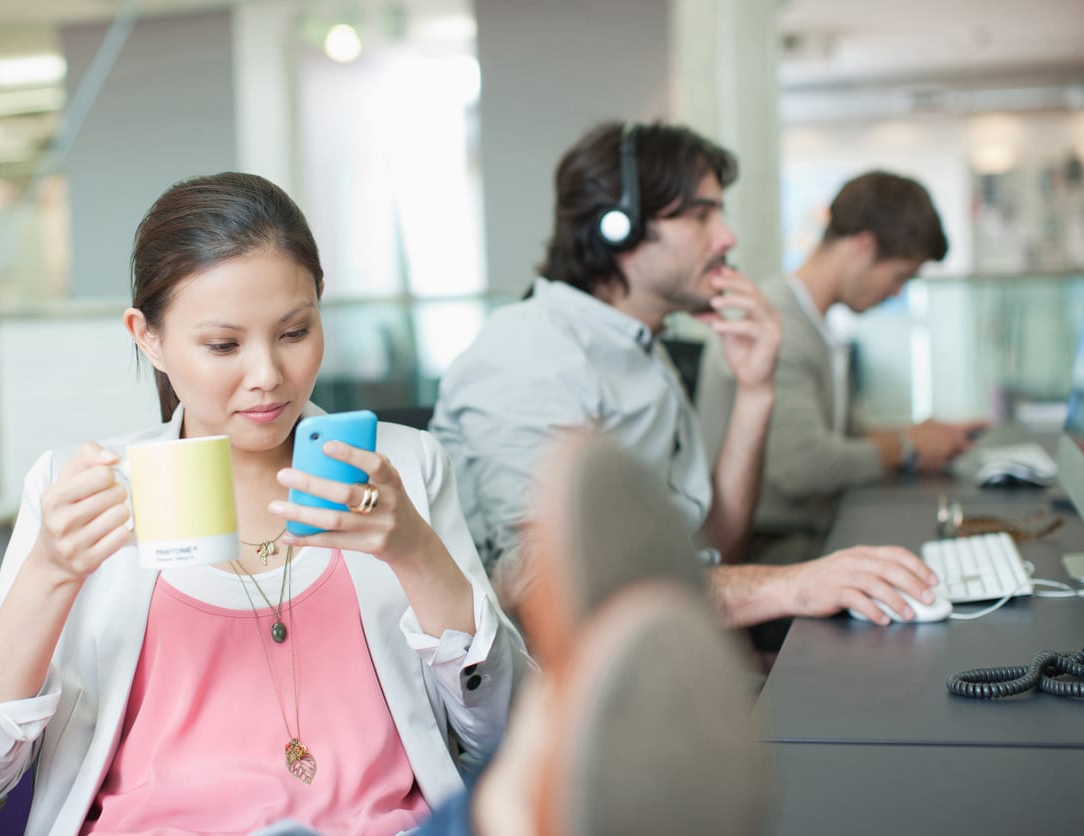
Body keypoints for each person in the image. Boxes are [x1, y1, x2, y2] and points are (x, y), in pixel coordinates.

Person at [0, 172, 529, 836]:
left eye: (294, 332)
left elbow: (508, 734)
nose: (268, 375)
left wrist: (417, 555)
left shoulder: (404, 472)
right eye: (223, 345)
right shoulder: (81, 495)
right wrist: (50, 571)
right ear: (147, 336)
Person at [429, 121, 940, 629]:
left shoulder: (644, 352)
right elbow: (550, 591)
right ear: (618, 226)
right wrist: (790, 587)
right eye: (701, 215)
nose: (727, 237)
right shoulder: (530, 354)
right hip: (572, 696)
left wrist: (755, 393)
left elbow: (716, 547)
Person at [419, 434, 767, 836]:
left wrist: (415, 555)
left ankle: (539, 755)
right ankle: (520, 794)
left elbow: (485, 721)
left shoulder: (413, 462)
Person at [696, 170, 986, 565]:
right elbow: (804, 465)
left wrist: (920, 435)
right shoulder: (780, 325)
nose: (897, 292)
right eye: (900, 276)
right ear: (864, 247)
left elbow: (843, 435)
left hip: (805, 529)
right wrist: (907, 448)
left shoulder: (814, 322)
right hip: (770, 546)